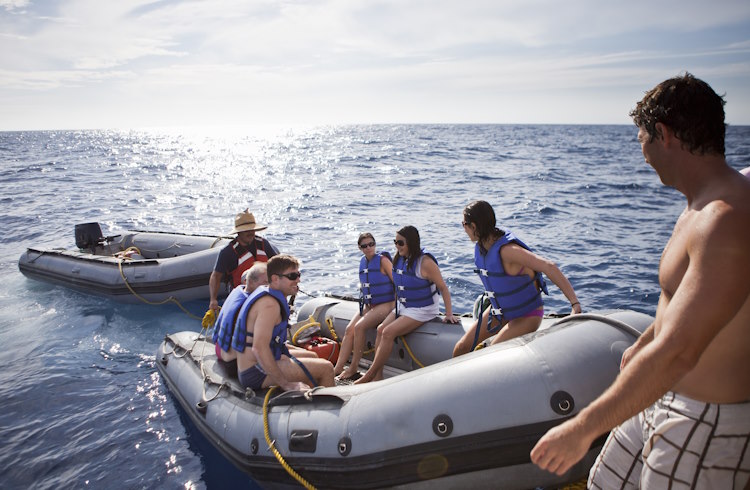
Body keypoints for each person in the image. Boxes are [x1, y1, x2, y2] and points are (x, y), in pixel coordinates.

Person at [530, 74, 750, 488]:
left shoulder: (722, 220)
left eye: (641, 138)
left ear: (663, 135)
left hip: (703, 419)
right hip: (657, 394)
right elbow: (688, 307)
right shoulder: (706, 204)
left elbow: (680, 352)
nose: (642, 150)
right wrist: (645, 342)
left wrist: (581, 429)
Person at [453, 200, 581, 357]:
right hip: (500, 311)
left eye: (463, 223)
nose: (463, 228)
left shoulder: (508, 251)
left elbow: (549, 266)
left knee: (490, 355)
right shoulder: (482, 248)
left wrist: (575, 305)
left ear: (473, 226)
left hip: (526, 314)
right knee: (461, 348)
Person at [355, 226, 459, 384]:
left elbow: (443, 287)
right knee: (380, 329)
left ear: (411, 242)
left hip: (422, 309)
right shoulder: (400, 258)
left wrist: (449, 314)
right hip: (404, 306)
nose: (397, 245)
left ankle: (369, 374)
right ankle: (378, 377)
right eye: (395, 241)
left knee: (388, 332)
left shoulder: (425, 262)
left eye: (401, 242)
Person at [231, 254, 334, 391]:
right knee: (326, 368)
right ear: (275, 279)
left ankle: (309, 401)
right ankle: (329, 408)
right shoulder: (270, 305)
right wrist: (286, 384)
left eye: (298, 274)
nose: (298, 279)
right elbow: (259, 348)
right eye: (292, 276)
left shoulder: (271, 296)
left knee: (313, 356)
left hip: (258, 363)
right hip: (255, 371)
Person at [334, 233, 395, 381]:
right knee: (349, 329)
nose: (369, 248)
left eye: (371, 244)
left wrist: (396, 307)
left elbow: (397, 283)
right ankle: (337, 368)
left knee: (359, 327)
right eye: (364, 246)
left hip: (386, 304)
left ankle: (353, 367)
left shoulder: (383, 261)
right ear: (359, 248)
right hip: (369, 304)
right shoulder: (363, 261)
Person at [208, 209, 279, 313]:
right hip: (242, 296)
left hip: (266, 293)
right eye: (246, 230)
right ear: (239, 232)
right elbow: (216, 276)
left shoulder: (263, 244)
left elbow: (278, 265)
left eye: (252, 229)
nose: (250, 233)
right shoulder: (227, 252)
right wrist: (213, 299)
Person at [211, 263, 269, 375]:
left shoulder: (239, 290)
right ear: (251, 282)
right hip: (232, 359)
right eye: (265, 283)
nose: (269, 287)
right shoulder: (249, 305)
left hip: (220, 348)